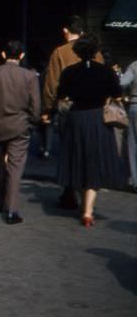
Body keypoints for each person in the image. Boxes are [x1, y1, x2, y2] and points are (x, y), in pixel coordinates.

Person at [56, 36, 122, 226]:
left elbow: (61, 95)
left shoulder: (69, 72)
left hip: (76, 117)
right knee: (94, 162)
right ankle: (87, 211)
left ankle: (80, 196)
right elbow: (117, 94)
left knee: (77, 159)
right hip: (97, 118)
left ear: (77, 53)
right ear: (96, 52)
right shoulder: (106, 72)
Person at [41, 15, 103, 208]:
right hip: (93, 107)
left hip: (67, 105)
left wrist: (47, 109)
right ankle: (87, 191)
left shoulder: (59, 52)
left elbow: (51, 84)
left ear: (65, 31)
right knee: (88, 149)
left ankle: (69, 190)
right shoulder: (97, 53)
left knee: (67, 148)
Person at [0, 40, 40, 224]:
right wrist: (33, 121)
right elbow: (35, 106)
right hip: (20, 125)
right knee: (15, 167)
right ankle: (11, 209)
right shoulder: (30, 76)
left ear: (4, 55)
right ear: (21, 55)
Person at [121, 59, 137, 189]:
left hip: (135, 106)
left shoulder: (135, 65)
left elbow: (122, 83)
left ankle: (135, 180)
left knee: (133, 145)